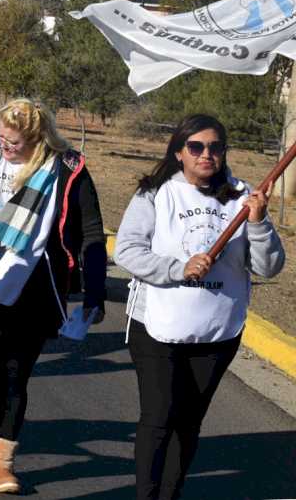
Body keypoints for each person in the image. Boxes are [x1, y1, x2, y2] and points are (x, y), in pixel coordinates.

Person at [0, 98, 107, 494]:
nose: (5, 146)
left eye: (14, 142)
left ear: (38, 138)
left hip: (30, 289)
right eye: (1, 137)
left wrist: (95, 290)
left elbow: (92, 233)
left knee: (14, 378)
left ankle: (2, 463)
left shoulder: (66, 170)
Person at [114, 114, 284, 500]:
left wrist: (258, 224)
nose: (206, 154)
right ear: (179, 152)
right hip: (156, 324)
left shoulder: (243, 197)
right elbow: (127, 249)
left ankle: (171, 494)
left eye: (215, 147)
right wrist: (178, 268)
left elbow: (268, 266)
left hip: (217, 330)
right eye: (196, 146)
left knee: (189, 422)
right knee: (159, 417)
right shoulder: (155, 192)